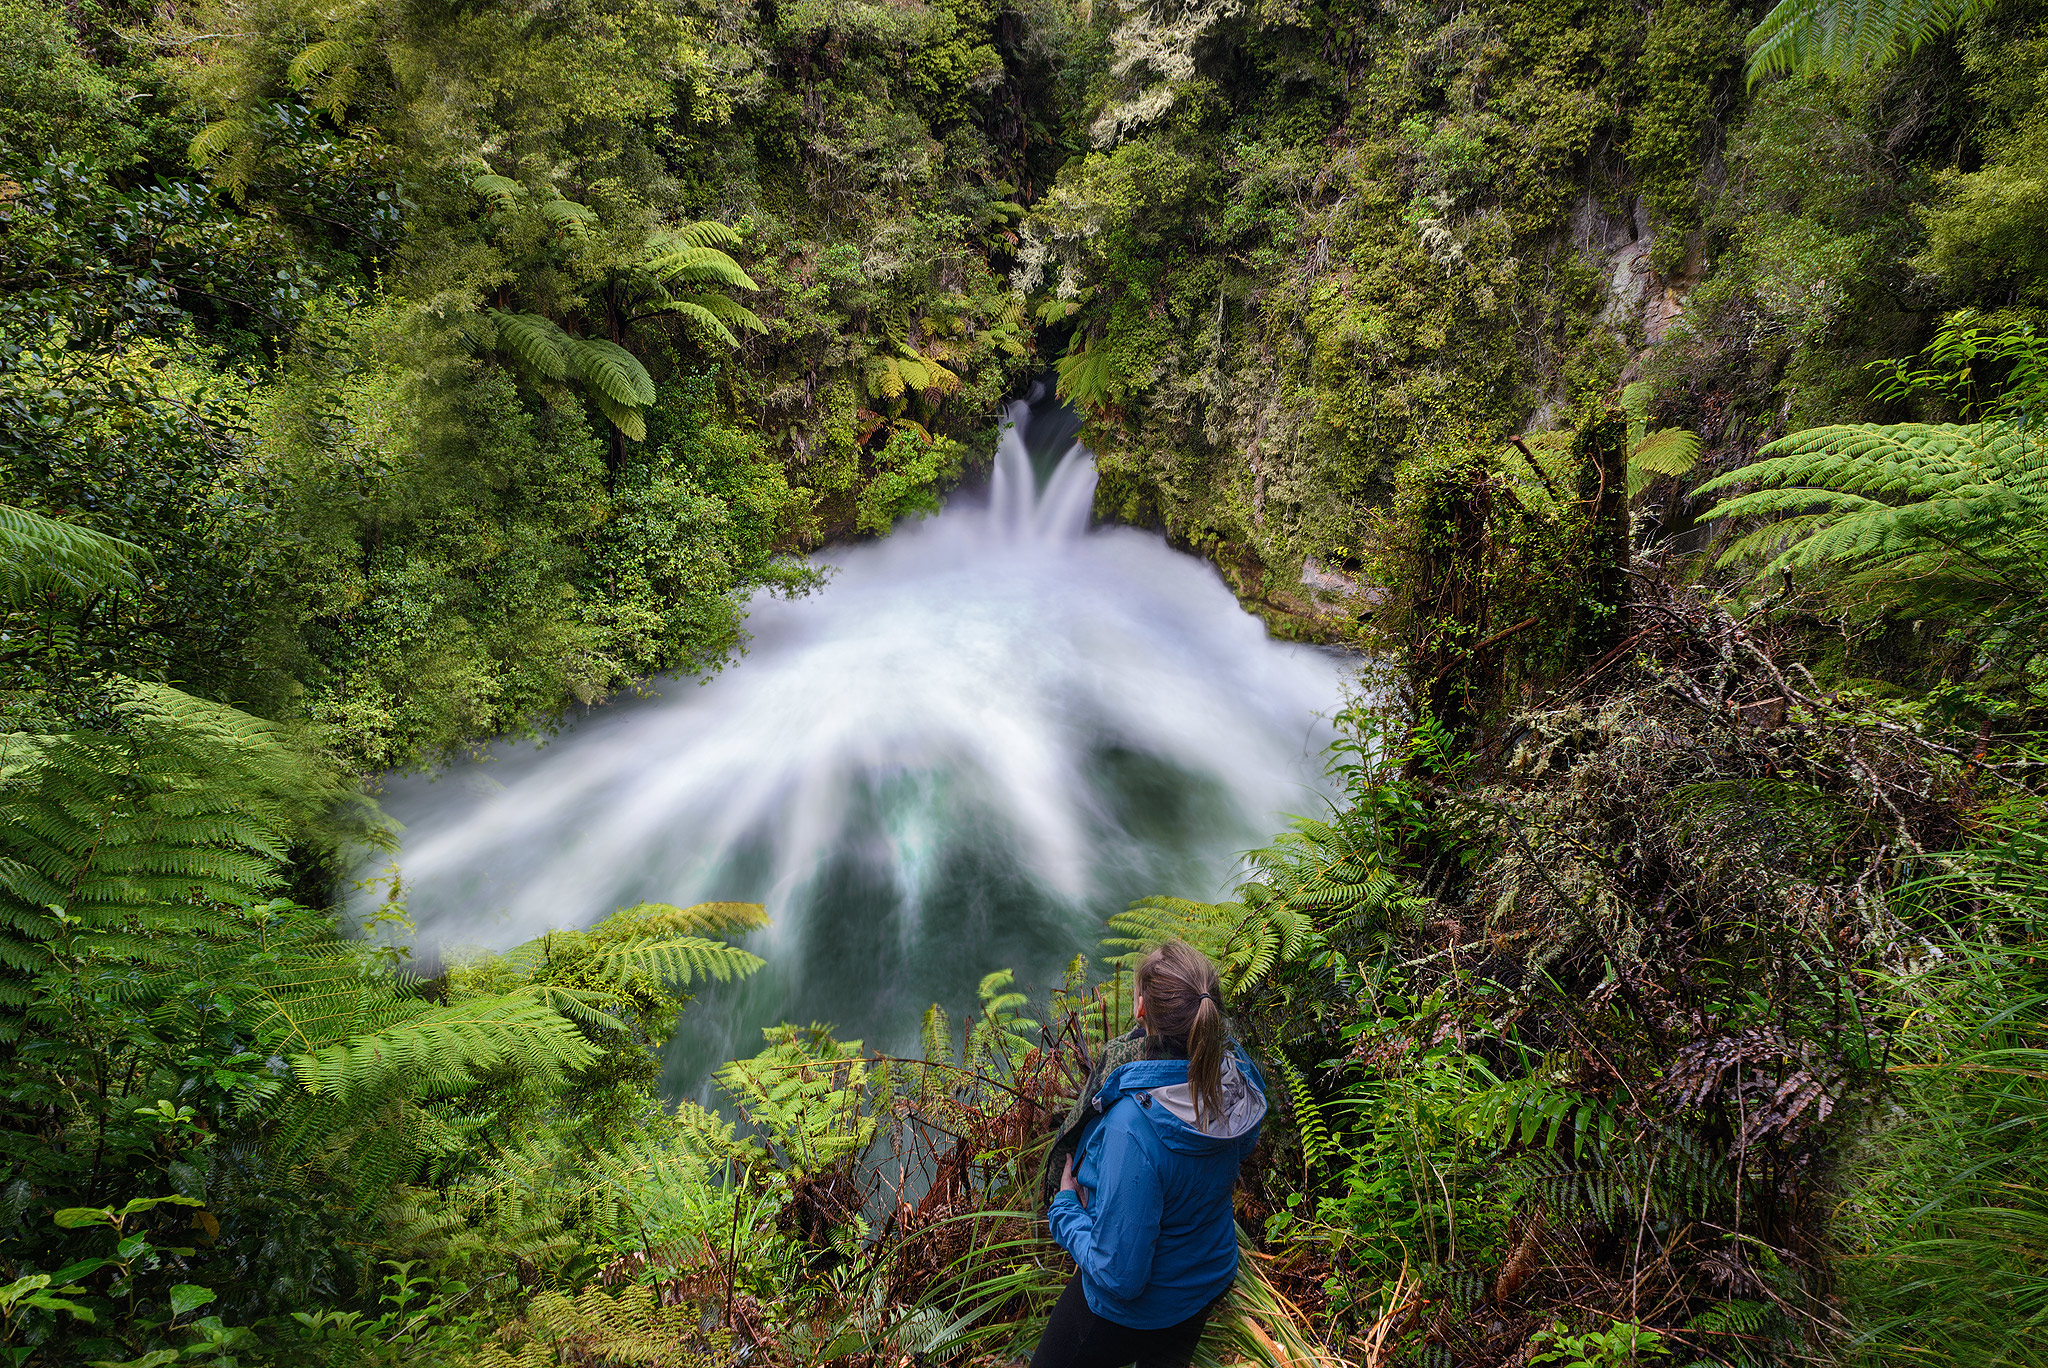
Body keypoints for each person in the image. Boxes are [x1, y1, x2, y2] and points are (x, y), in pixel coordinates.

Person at [1033, 940, 1268, 1368]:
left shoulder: (1135, 1125)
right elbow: (1240, 1148)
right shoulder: (1237, 1080)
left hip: (1135, 1310)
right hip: (1205, 1277)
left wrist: (1065, 1208)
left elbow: (1120, 1276)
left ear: (1141, 1010)